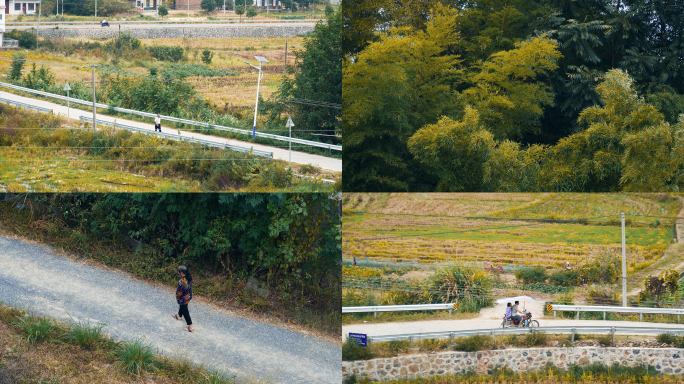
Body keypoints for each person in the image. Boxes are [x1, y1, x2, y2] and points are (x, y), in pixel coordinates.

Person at [172, 265, 194, 332]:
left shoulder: (181, 281)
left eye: (178, 272)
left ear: (181, 273)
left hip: (183, 298)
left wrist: (177, 298)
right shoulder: (189, 277)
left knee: (185, 311)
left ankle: (190, 326)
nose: (178, 273)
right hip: (188, 296)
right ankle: (179, 315)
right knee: (182, 306)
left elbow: (179, 292)